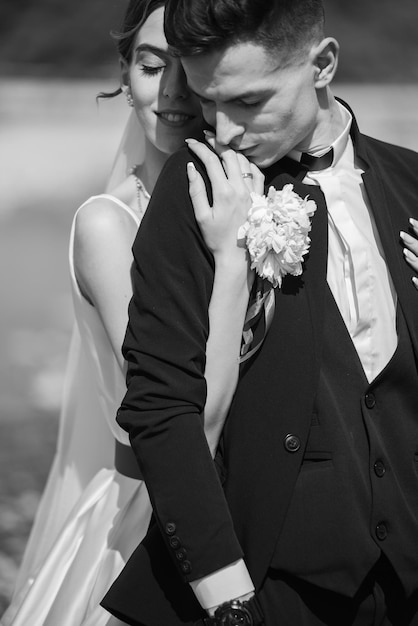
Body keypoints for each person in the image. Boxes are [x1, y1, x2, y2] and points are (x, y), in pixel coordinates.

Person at [101, 0, 418, 624]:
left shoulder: (410, 182)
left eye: (247, 103)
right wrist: (230, 602)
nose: (222, 132)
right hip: (266, 584)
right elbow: (162, 407)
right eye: (207, 102)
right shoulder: (198, 187)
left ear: (322, 65)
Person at [0, 1, 261, 624]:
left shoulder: (255, 197)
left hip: (261, 500)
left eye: (189, 66)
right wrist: (232, 263)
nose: (171, 91)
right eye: (150, 66)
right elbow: (174, 413)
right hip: (156, 517)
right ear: (125, 74)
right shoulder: (106, 227)